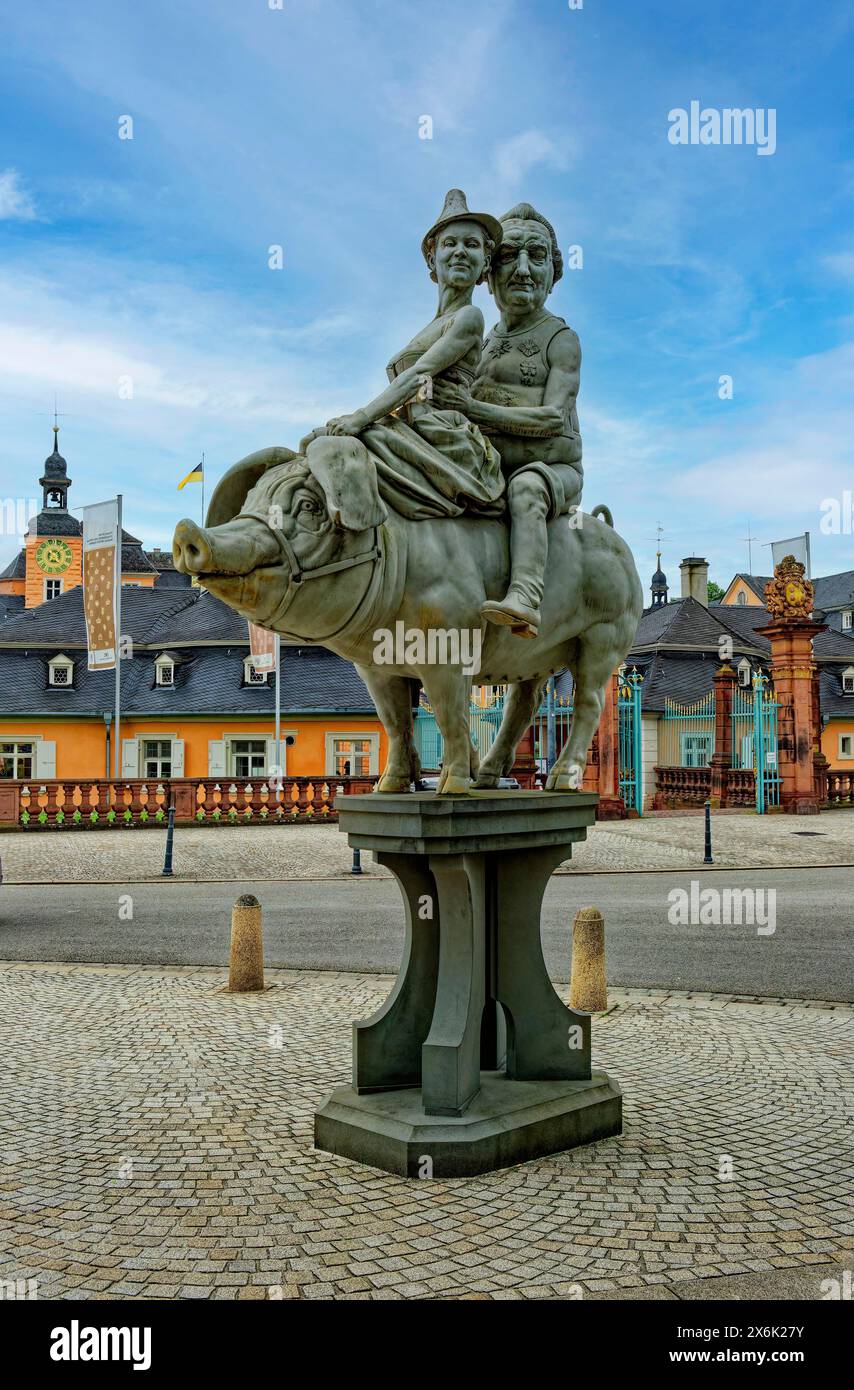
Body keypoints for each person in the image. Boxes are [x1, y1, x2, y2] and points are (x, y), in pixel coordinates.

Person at [433, 202, 583, 637]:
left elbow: (554, 418)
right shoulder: (479, 336)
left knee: (526, 490)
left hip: (551, 470)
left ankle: (525, 596)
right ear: (489, 273)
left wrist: (471, 410)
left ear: (553, 274)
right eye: (508, 256)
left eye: (535, 257)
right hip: (486, 467)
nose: (521, 270)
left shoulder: (561, 338)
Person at [316, 189, 506, 519]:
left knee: (334, 448)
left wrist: (360, 417)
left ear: (485, 263)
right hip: (411, 428)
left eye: (471, 245)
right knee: (320, 443)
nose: (460, 252)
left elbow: (420, 375)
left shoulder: (469, 318)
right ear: (432, 259)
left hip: (442, 436)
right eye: (450, 244)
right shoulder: (431, 326)